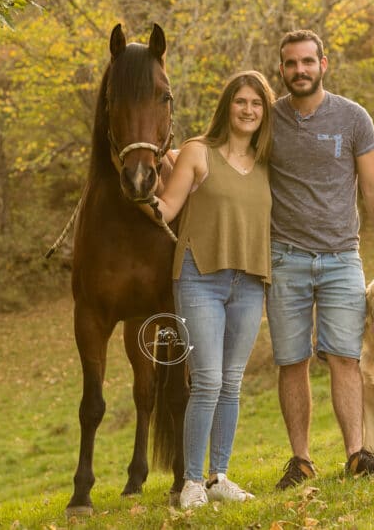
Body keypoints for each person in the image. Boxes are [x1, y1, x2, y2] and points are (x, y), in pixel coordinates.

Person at [266, 29, 374, 490]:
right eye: (291, 64)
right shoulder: (268, 121)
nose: (300, 71)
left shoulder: (353, 118)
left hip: (341, 258)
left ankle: (355, 454)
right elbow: (225, 154)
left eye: (308, 62)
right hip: (285, 258)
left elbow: (373, 188)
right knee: (292, 361)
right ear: (282, 69)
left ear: (323, 64)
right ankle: (301, 460)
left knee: (345, 358)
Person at [141, 70, 276, 509]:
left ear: (264, 111)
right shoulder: (198, 152)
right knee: (207, 381)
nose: (249, 110)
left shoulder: (268, 161)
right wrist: (141, 189)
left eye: (257, 104)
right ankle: (192, 482)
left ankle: (219, 476)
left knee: (232, 384)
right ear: (227, 106)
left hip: (250, 281)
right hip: (200, 277)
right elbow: (167, 207)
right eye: (241, 101)